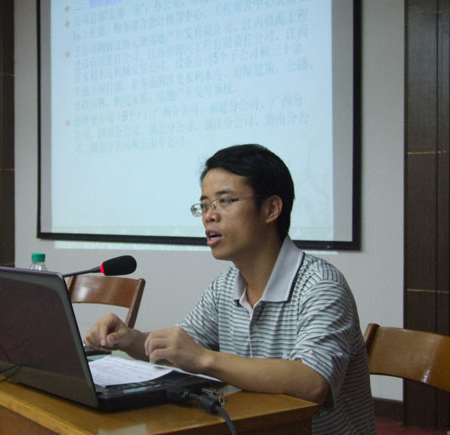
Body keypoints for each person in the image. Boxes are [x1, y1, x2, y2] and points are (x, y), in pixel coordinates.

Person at [85, 144, 375, 433]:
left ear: (271, 209)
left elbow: (313, 382)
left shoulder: (321, 285)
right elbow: (181, 348)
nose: (209, 216)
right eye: (205, 205)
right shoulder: (224, 286)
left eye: (225, 201)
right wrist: (130, 338)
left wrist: (205, 359)